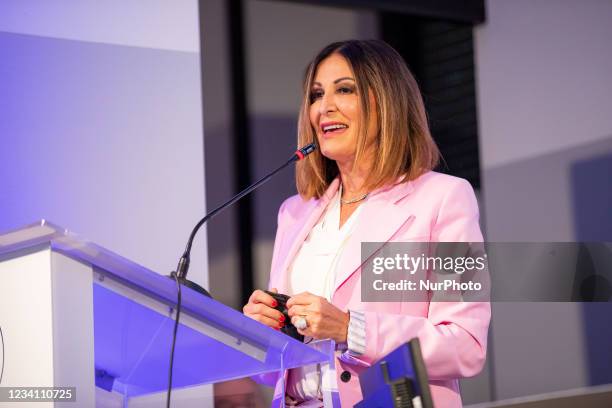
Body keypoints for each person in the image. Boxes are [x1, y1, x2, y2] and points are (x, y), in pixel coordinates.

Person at [243, 39, 490, 407]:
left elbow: (465, 344)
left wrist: (349, 329)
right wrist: (262, 334)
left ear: (385, 101)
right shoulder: (294, 212)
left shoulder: (444, 198)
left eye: (344, 90)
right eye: (315, 95)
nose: (324, 108)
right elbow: (273, 374)